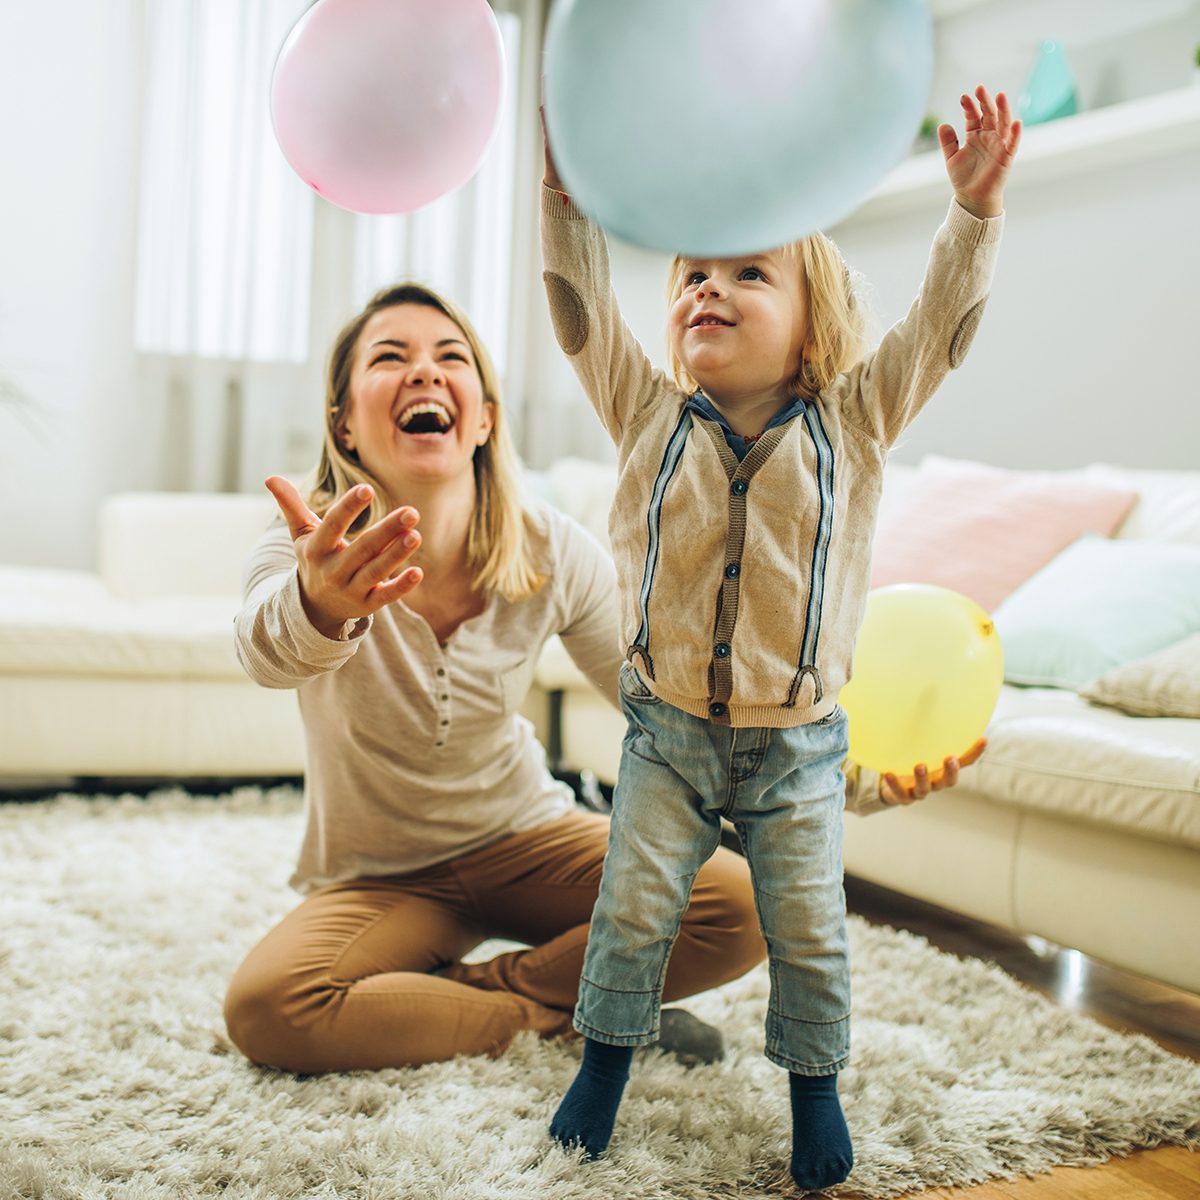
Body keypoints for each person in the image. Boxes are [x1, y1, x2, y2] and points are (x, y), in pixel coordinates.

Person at [223, 282, 980, 1080]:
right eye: (390, 358)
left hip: (525, 839)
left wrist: (843, 777)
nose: (424, 373)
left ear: (482, 417)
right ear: (344, 420)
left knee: (744, 904)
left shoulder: (553, 548)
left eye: (451, 358)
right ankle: (574, 1018)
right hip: (377, 875)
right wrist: (320, 604)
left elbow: (668, 701)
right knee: (271, 1010)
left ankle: (476, 995)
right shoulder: (306, 546)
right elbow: (265, 655)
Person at [541, 86, 1021, 1191]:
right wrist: (563, 193)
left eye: (749, 272)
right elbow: (576, 307)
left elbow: (940, 330)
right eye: (694, 275)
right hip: (665, 733)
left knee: (811, 933)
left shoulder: (854, 422)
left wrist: (975, 216)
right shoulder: (643, 412)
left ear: (817, 322)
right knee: (633, 910)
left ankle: (815, 1094)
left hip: (800, 746)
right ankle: (603, 1068)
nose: (709, 286)